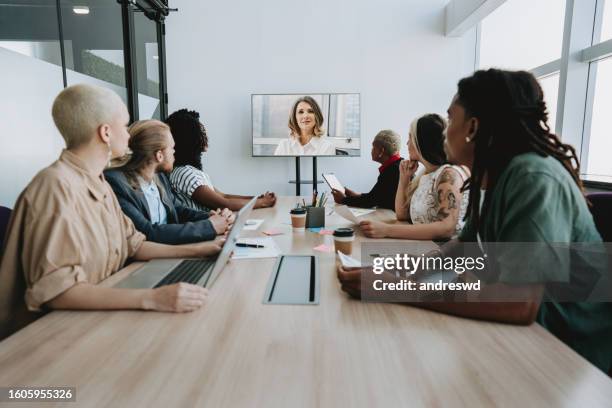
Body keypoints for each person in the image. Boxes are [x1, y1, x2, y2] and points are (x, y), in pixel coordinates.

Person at [337, 69, 611, 373]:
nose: (444, 131)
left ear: (473, 127)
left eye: (450, 119)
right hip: (526, 337)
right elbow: (460, 249)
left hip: (569, 352)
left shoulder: (532, 176)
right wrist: (389, 270)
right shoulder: (494, 175)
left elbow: (518, 303)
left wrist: (392, 288)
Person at [0, 84, 224, 340]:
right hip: (52, 335)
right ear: (106, 132)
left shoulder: (99, 182)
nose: (129, 136)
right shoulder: (55, 187)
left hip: (94, 317)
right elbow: (58, 291)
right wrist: (152, 298)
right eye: (124, 126)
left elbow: (134, 244)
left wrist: (203, 250)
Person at [105, 120, 234, 245]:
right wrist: (209, 226)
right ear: (159, 155)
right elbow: (147, 233)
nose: (174, 152)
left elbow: (178, 209)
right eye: (172, 148)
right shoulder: (117, 183)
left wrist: (210, 217)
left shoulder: (159, 177)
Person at [357, 114, 469, 240]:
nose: (407, 143)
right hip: (425, 248)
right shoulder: (426, 175)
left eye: (410, 137)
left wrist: (386, 230)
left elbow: (446, 228)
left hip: (449, 255)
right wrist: (403, 179)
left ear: (421, 141)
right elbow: (402, 215)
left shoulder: (448, 174)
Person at [166, 109, 276, 212]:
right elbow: (224, 203)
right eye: (201, 132)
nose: (206, 136)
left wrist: (257, 198)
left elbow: (224, 196)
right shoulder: (185, 174)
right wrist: (262, 202)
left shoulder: (192, 172)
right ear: (189, 139)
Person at [330, 129, 403, 210]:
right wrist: (357, 195)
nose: (371, 150)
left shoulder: (392, 171)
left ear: (381, 151)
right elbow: (377, 196)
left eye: (373, 147)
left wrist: (343, 200)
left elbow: (370, 202)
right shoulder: (397, 165)